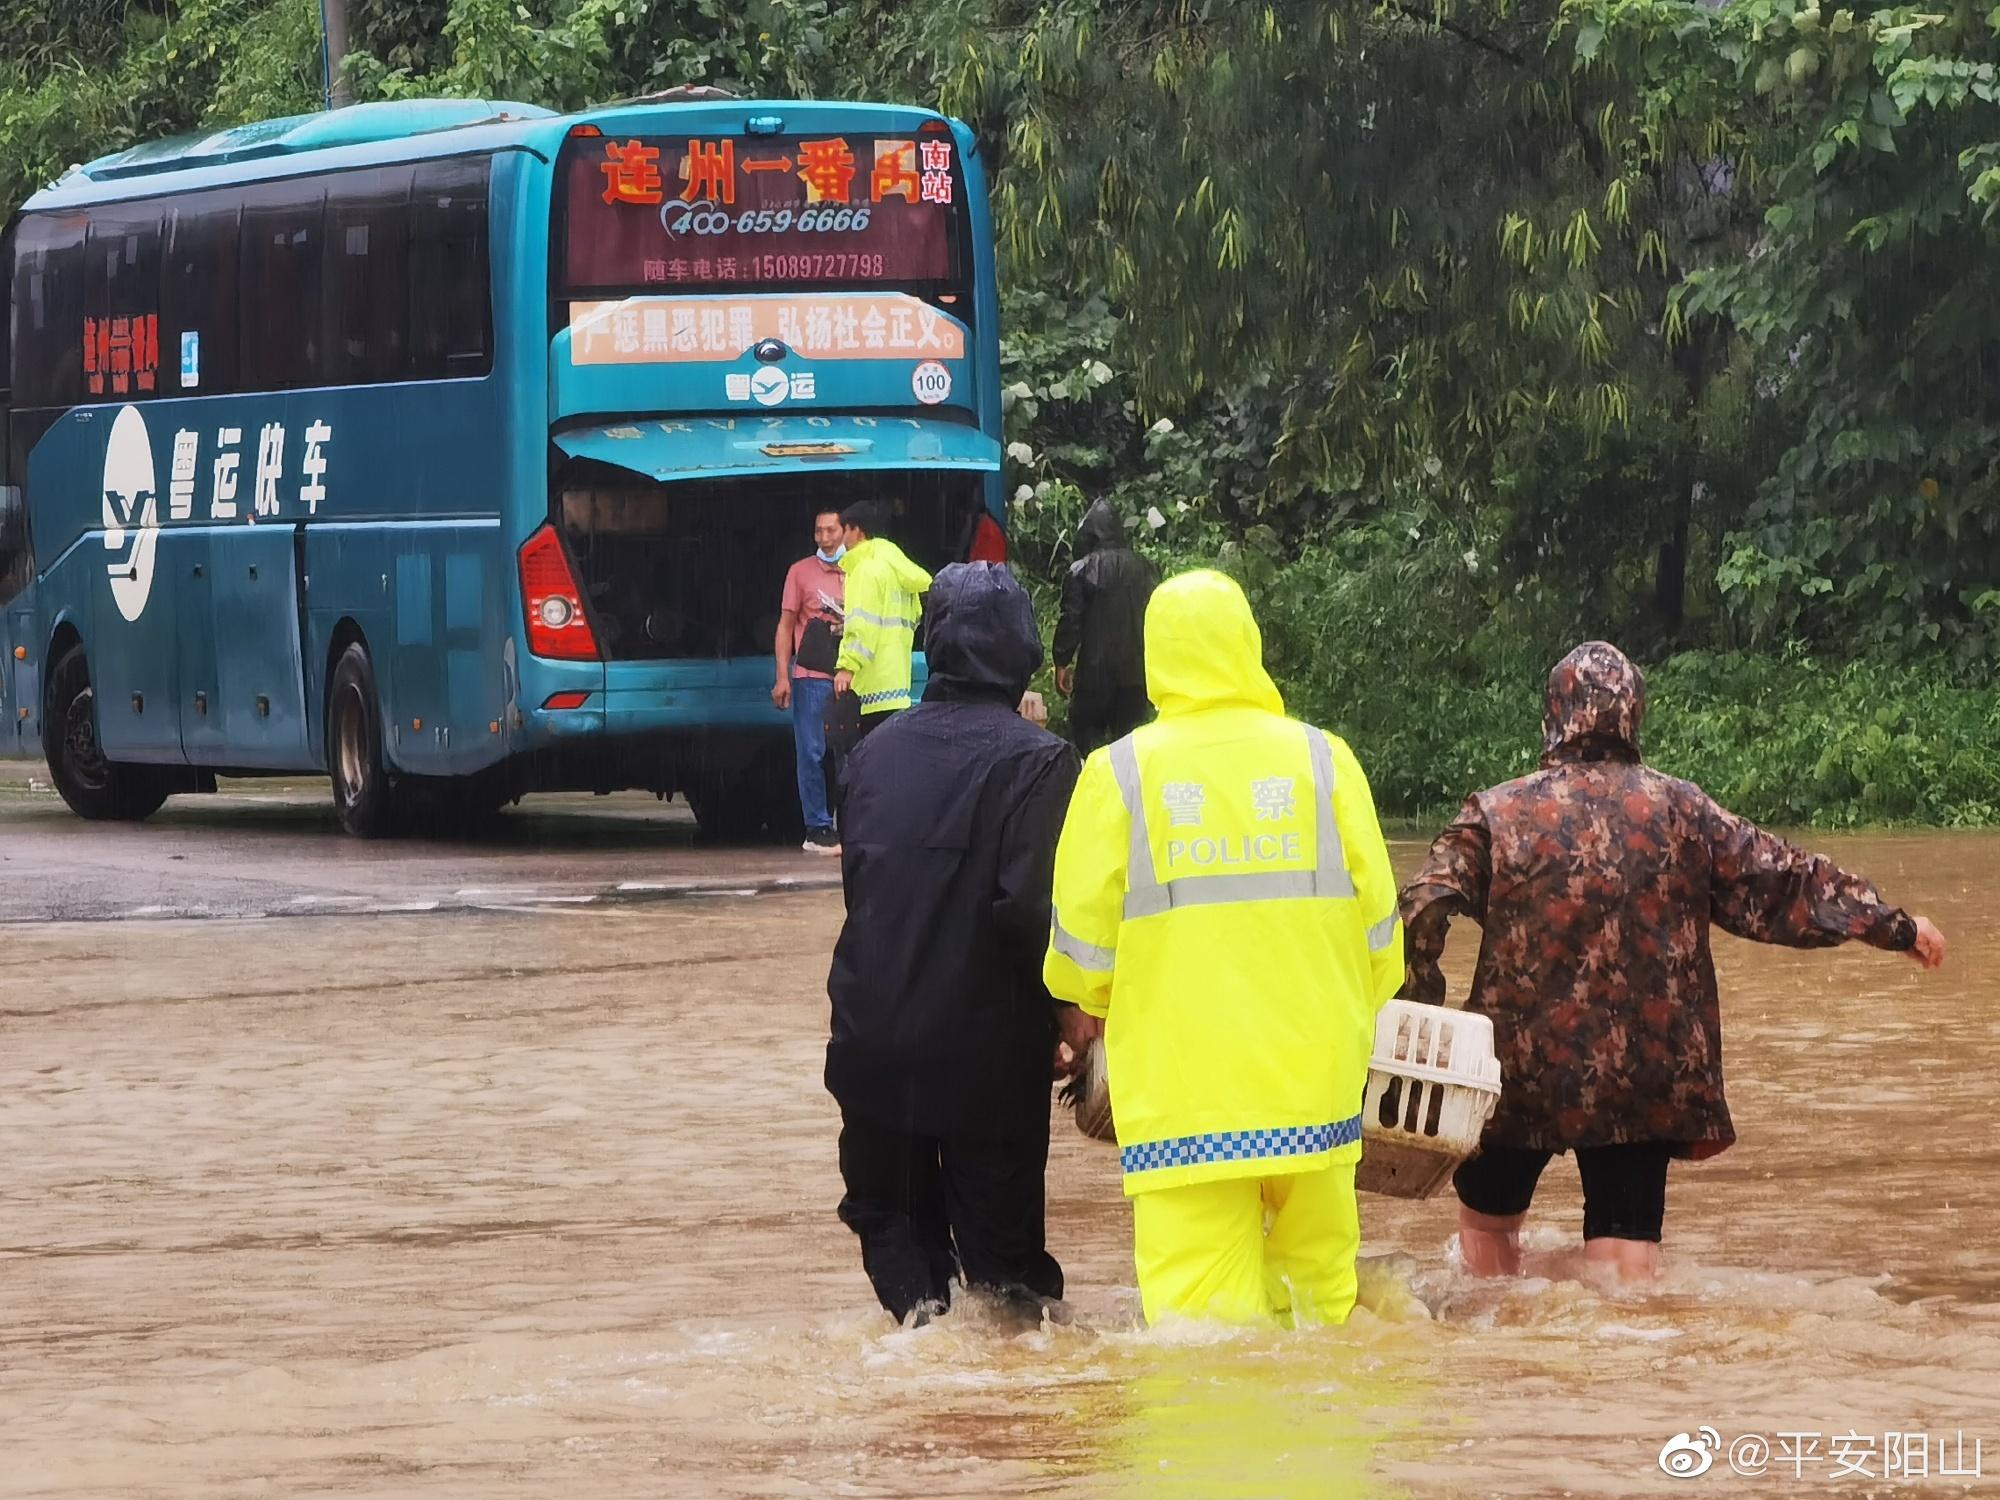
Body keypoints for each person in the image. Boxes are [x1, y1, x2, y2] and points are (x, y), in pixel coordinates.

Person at [1399, 641, 1947, 1283]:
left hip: (1515, 1075)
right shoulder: (1686, 812)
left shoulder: (1497, 812)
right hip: (1643, 1079)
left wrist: (1415, 1004)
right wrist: (1895, 926)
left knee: (1487, 1255)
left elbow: (1423, 905)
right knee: (1626, 1271)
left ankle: (1506, 1365)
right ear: (1634, 714)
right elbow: (1788, 884)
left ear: (1554, 714)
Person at [1042, 570, 1404, 1327]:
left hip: (1183, 1104)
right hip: (1315, 1094)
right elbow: (1381, 942)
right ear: (1249, 645)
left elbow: (1079, 961)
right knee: (1321, 1315)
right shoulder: (1323, 761)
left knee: (1202, 1339)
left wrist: (1106, 1013)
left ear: (1155, 659)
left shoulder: (1121, 773)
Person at [825, 562, 1090, 1325]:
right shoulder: (1040, 761)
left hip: (870, 1045)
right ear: (1023, 656)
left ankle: (926, 1402)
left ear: (930, 645)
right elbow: (1030, 910)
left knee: (897, 1236)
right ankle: (1001, 1422)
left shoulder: (872, 755)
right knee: (1008, 1280)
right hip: (985, 1060)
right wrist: (1071, 1013)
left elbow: (869, 895)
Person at [1052, 499, 1158, 754]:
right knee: (1132, 746)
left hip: (1094, 675)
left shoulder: (1081, 570)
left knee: (1086, 744)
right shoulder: (1145, 568)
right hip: (1137, 673)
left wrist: (1061, 662)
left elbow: (1071, 619)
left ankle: (1092, 787)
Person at [773, 509, 847, 854]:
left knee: (849, 753)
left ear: (845, 531)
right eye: (818, 531)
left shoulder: (860, 569)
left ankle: (850, 822)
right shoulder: (800, 572)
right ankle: (817, 827)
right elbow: (786, 625)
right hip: (811, 677)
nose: (825, 538)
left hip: (851, 675)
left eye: (831, 530)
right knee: (812, 752)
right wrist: (781, 676)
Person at [831, 499, 932, 743]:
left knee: (867, 765)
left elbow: (863, 626)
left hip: (871, 686)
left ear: (857, 531)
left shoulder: (865, 570)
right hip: (896, 683)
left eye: (843, 530)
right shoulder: (896, 568)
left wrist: (847, 666)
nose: (840, 540)